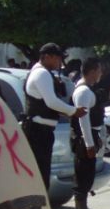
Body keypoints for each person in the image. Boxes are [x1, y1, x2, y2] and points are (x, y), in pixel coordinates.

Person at [23, 43, 88, 191]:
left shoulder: (42, 72)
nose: (59, 63)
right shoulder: (42, 74)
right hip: (38, 131)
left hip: (41, 130)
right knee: (40, 175)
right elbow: (52, 102)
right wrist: (73, 111)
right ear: (47, 57)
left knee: (40, 173)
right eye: (57, 58)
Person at [69, 58, 105, 209]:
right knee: (83, 175)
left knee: (86, 174)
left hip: (89, 136)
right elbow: (83, 120)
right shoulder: (83, 92)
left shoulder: (86, 89)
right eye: (99, 70)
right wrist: (89, 144)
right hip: (85, 138)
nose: (100, 74)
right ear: (92, 71)